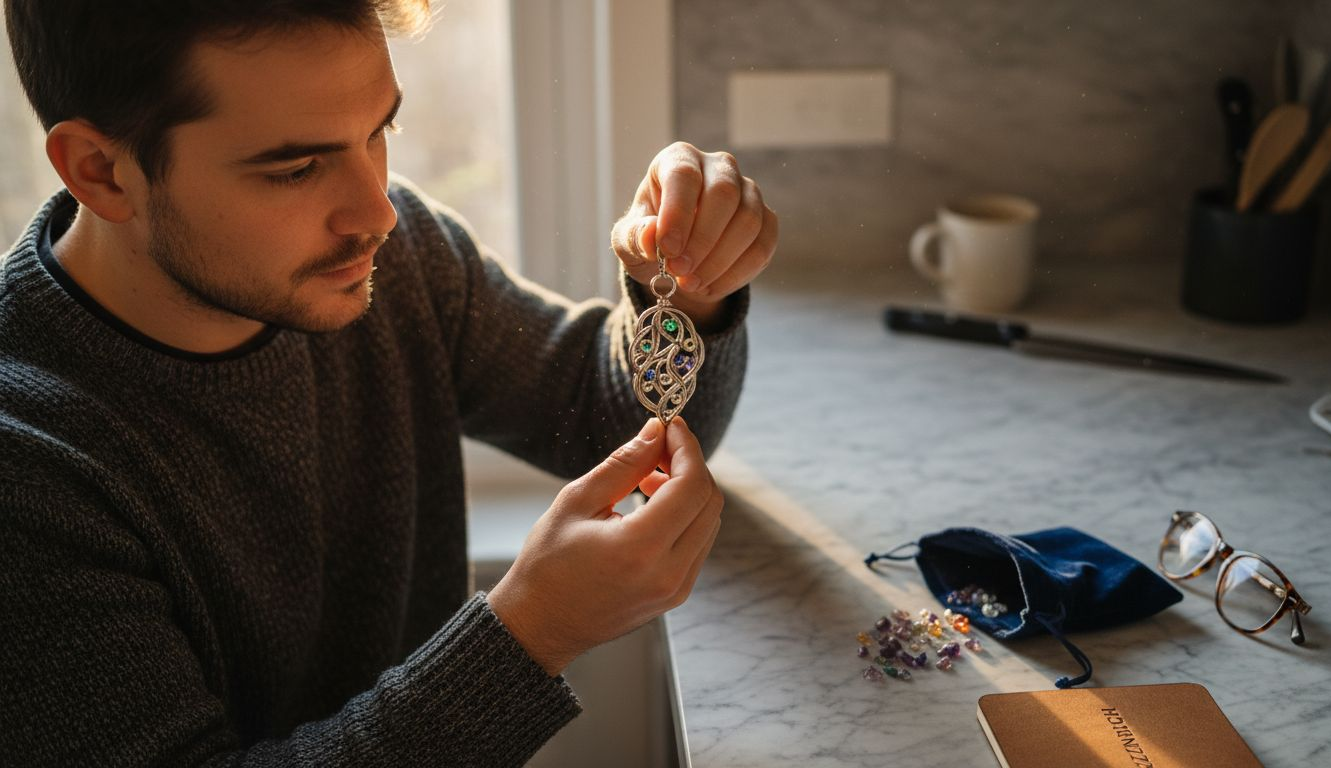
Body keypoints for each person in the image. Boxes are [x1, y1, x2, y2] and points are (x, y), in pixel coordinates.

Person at [0, 1, 777, 765]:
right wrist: (533, 632)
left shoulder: (391, 265)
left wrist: (683, 286)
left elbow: (615, 419)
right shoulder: (27, 462)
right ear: (102, 173)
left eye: (380, 132)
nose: (378, 212)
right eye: (297, 168)